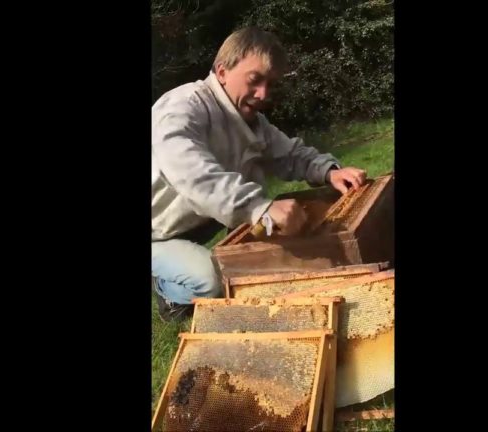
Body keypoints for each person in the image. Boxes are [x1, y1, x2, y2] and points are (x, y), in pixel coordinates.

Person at [151, 27, 367, 322]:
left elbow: (288, 153)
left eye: (270, 84)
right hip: (156, 231)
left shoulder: (252, 122)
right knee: (213, 281)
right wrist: (258, 208)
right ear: (222, 71)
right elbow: (191, 171)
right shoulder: (181, 107)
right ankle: (168, 292)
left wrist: (329, 171)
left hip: (194, 217)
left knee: (246, 258)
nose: (263, 94)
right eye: (255, 80)